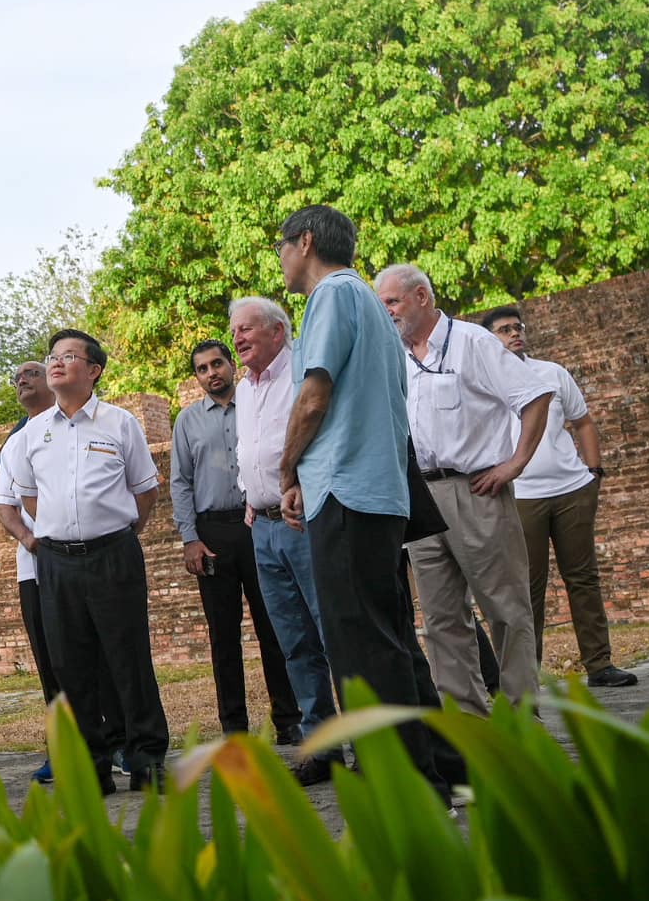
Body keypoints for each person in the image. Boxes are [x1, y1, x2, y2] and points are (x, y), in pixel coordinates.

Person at [275, 206, 451, 798]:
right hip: (378, 492)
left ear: (304, 242)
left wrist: (286, 467)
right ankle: (445, 769)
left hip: (345, 489)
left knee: (361, 650)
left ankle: (403, 789)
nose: (280, 260)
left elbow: (314, 397)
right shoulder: (373, 305)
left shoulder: (331, 296)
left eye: (282, 246)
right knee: (391, 640)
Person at [373, 265, 551, 716]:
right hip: (422, 497)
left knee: (506, 609)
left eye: (392, 301)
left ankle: (519, 711)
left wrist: (515, 464)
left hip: (477, 490)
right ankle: (466, 718)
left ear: (422, 297)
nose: (386, 311)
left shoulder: (473, 342)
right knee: (441, 618)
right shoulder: (392, 354)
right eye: (382, 303)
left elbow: (535, 396)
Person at [1, 329, 169, 794]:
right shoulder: (34, 432)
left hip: (114, 555)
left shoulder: (120, 423)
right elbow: (27, 496)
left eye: (69, 356)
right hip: (57, 564)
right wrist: (60, 534)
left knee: (129, 660)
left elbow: (146, 491)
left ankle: (146, 759)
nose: (56, 363)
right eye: (52, 356)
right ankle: (92, 766)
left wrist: (113, 533)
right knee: (71, 666)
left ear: (93, 371)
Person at [482, 306, 635, 688]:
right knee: (526, 588)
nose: (515, 334)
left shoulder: (551, 373)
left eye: (518, 327)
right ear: (489, 339)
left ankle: (600, 665)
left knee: (583, 579)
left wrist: (593, 473)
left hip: (571, 490)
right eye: (504, 330)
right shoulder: (484, 381)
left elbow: (582, 422)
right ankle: (525, 675)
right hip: (521, 497)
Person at [230, 297, 341, 783]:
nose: (237, 339)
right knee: (293, 642)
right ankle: (323, 745)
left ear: (278, 331)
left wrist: (301, 490)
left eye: (247, 329)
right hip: (264, 528)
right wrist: (249, 497)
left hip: (306, 519)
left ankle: (367, 739)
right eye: (235, 331)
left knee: (334, 633)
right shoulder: (244, 387)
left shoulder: (301, 372)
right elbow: (251, 449)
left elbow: (323, 435)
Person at [170, 339, 301, 746]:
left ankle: (288, 720)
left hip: (259, 524)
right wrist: (190, 539)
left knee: (275, 626)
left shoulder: (256, 406)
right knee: (223, 635)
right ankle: (234, 728)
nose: (212, 373)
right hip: (212, 535)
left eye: (217, 364)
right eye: (202, 369)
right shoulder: (187, 421)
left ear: (230, 364)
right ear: (197, 377)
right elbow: (181, 482)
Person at [0, 361, 62, 784]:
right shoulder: (16, 439)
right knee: (49, 663)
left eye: (31, 372)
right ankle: (60, 747)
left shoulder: (74, 425)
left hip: (81, 557)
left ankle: (114, 738)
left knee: (97, 653)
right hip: (34, 567)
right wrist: (29, 538)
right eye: (16, 377)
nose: (22, 379)